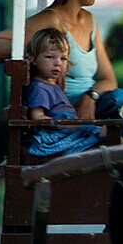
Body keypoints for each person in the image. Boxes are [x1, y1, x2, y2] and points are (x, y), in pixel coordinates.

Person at [22, 28, 102, 157]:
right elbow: (37, 117)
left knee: (105, 132)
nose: (58, 63)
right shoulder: (39, 88)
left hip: (67, 129)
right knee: (106, 134)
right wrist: (64, 124)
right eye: (50, 57)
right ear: (34, 60)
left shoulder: (52, 85)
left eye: (63, 59)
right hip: (56, 134)